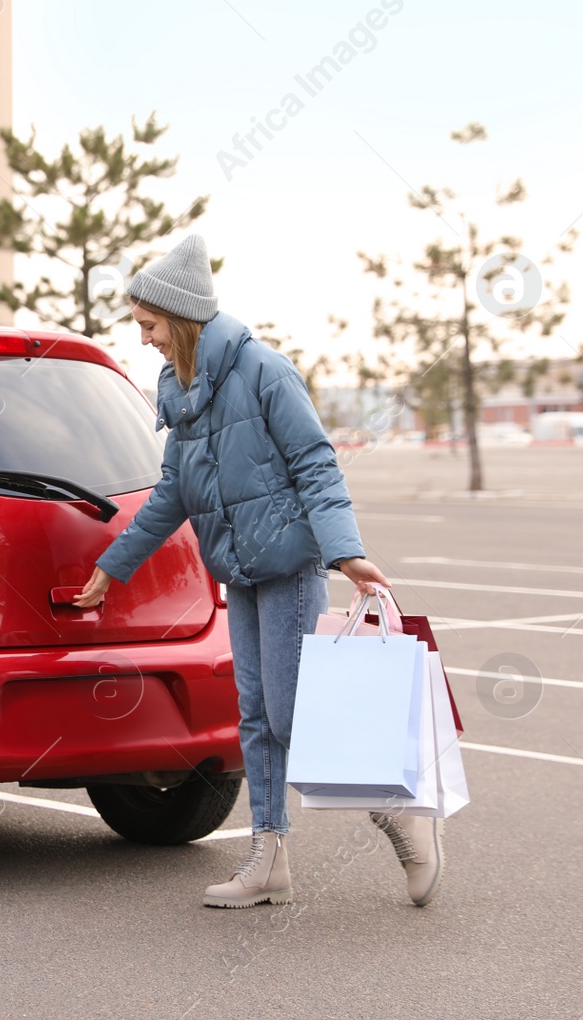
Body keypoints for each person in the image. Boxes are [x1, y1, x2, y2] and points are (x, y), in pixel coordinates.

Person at [73, 234, 444, 909]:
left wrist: (345, 551)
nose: (145, 338)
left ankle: (402, 809)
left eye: (149, 324)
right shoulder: (178, 388)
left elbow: (315, 462)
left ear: (181, 317)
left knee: (294, 709)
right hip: (237, 572)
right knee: (255, 717)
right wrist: (111, 567)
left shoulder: (265, 370)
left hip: (290, 564)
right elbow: (173, 493)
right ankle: (268, 857)